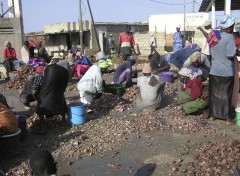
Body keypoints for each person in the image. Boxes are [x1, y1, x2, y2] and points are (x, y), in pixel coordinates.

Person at [208, 15, 236, 125]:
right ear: (228, 28)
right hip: (226, 71)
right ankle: (228, 118)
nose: (232, 29)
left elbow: (211, 52)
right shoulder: (230, 37)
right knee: (226, 94)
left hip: (214, 70)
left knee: (215, 94)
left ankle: (213, 115)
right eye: (232, 27)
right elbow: (230, 54)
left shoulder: (214, 36)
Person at [34, 54, 69, 134]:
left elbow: (34, 91)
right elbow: (64, 87)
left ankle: (43, 126)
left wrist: (37, 99)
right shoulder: (64, 71)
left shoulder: (41, 74)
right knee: (61, 96)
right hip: (59, 96)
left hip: (45, 98)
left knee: (40, 104)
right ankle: (63, 120)